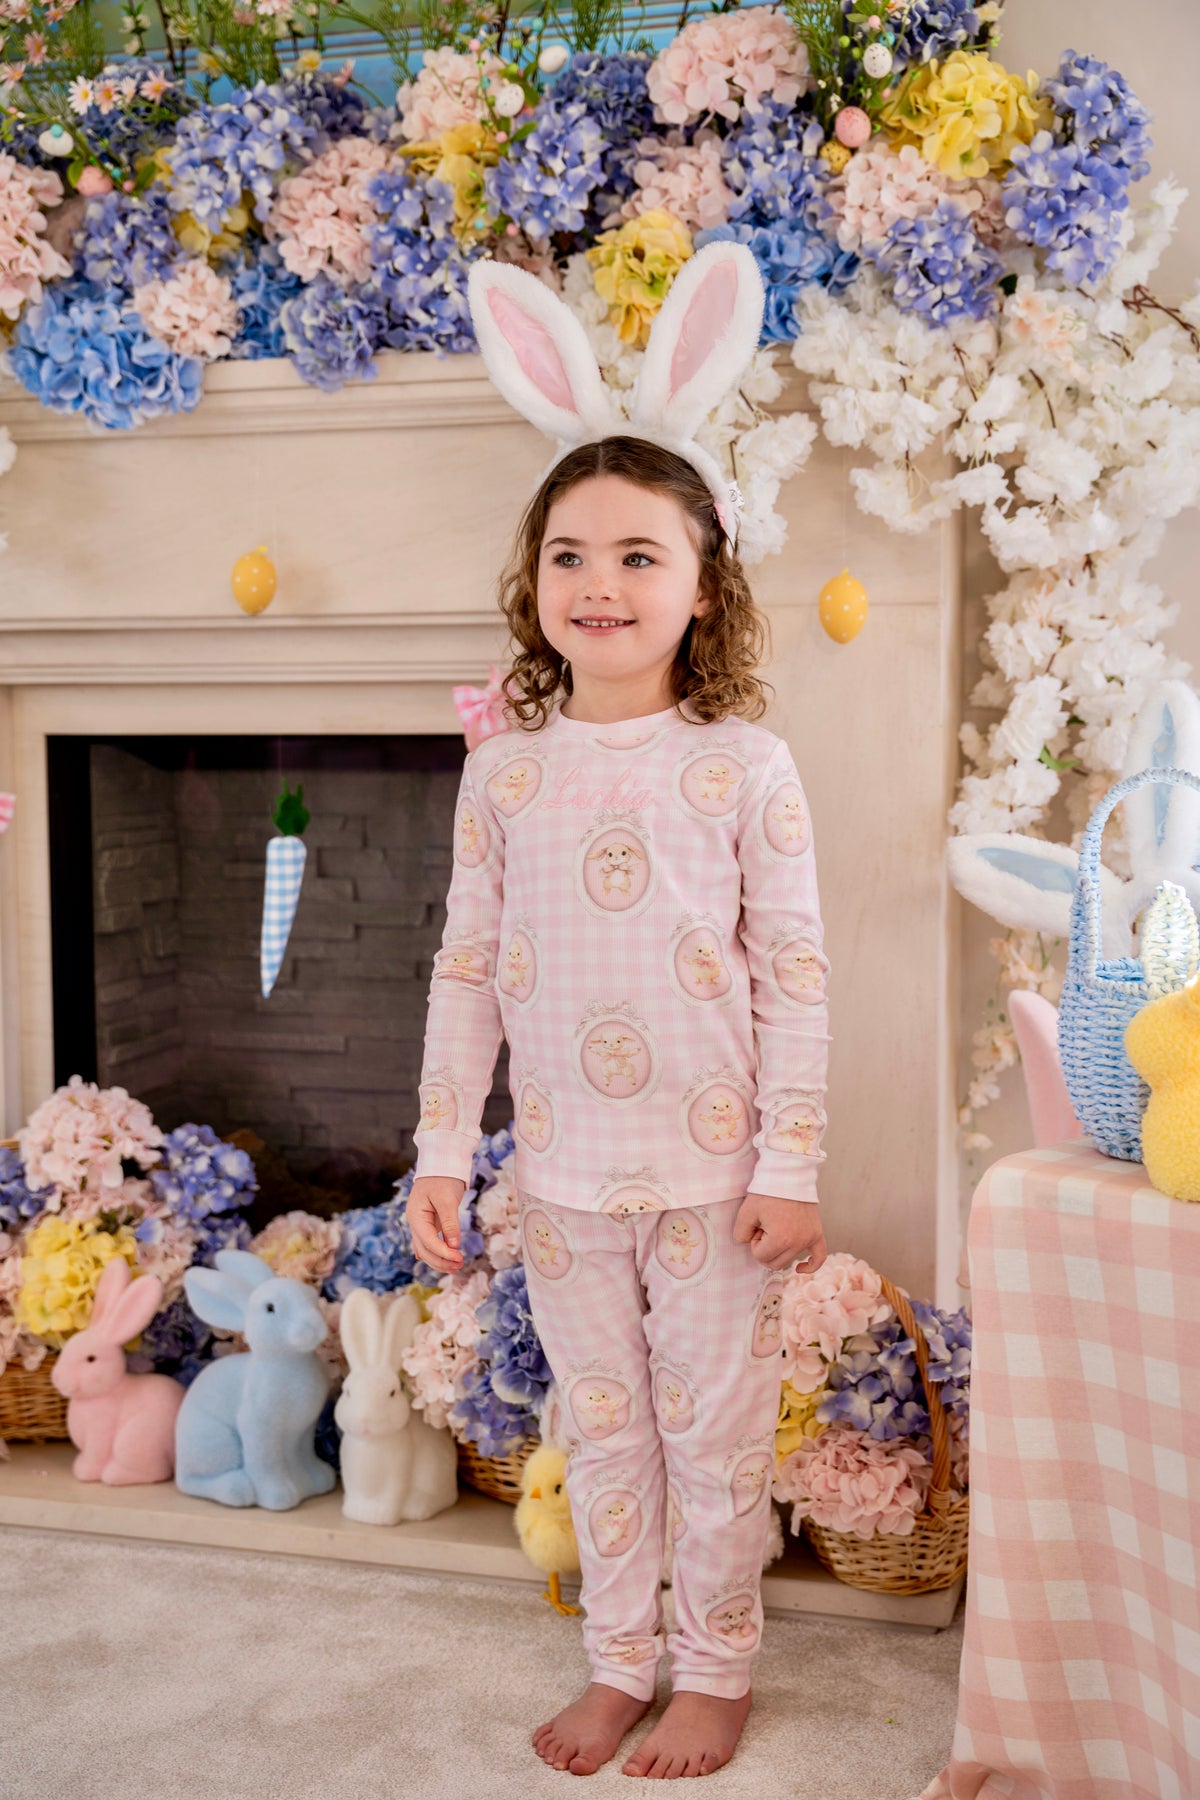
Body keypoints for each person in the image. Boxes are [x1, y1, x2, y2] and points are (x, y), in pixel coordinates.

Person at [405, 246, 831, 1781]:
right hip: (564, 1177)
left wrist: (791, 1160)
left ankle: (714, 1671)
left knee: (715, 1434)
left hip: (716, 1177)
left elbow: (795, 975)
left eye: (640, 556)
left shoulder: (745, 765)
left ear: (704, 585)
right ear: (534, 586)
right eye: (571, 554)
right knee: (600, 1429)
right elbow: (466, 968)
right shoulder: (505, 773)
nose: (601, 583)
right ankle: (618, 1659)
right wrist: (441, 1152)